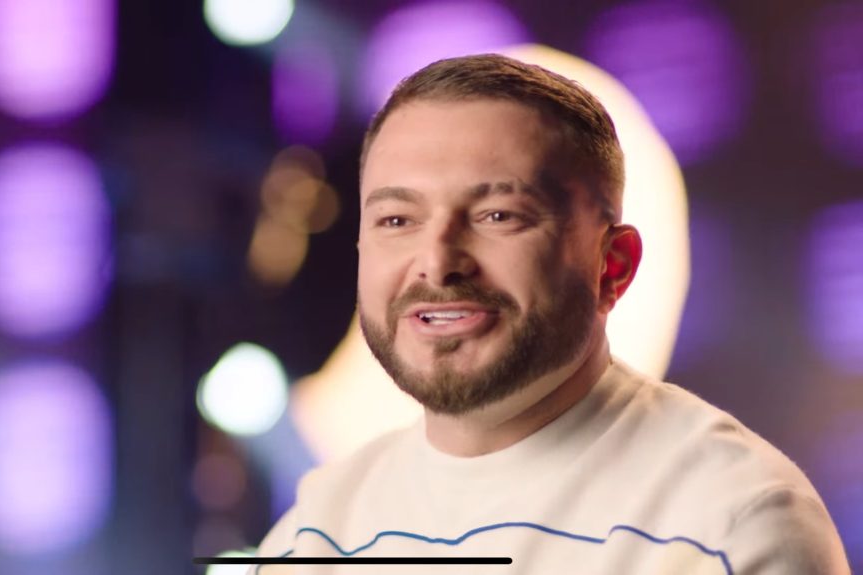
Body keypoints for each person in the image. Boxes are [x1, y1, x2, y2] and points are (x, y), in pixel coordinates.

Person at [253, 53, 850, 574]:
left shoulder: (732, 525)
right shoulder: (316, 532)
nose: (436, 263)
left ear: (613, 266)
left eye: (498, 216)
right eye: (397, 220)